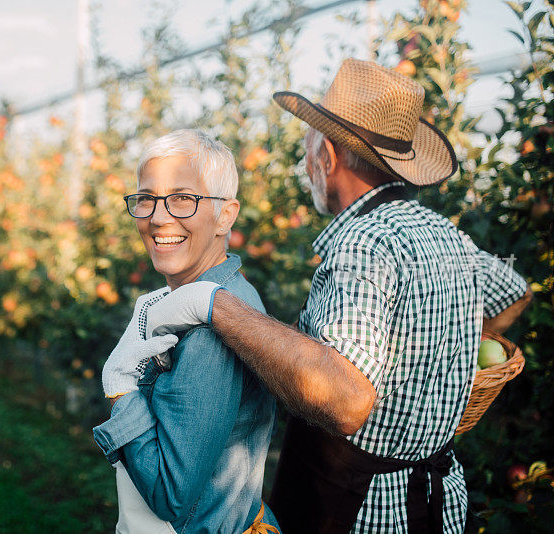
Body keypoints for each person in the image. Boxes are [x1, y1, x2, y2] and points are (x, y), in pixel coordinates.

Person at [134, 59, 533, 533]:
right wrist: (445, 357)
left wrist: (213, 304)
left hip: (361, 508)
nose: (306, 167)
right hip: (438, 500)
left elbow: (345, 402)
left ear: (326, 154)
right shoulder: (446, 233)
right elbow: (516, 295)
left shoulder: (362, 242)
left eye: (307, 151)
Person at [93, 129, 281, 534]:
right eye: (146, 199)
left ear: (225, 215)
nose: (159, 217)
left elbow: (170, 495)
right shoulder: (204, 299)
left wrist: (122, 388)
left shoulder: (212, 332)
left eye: (183, 198)